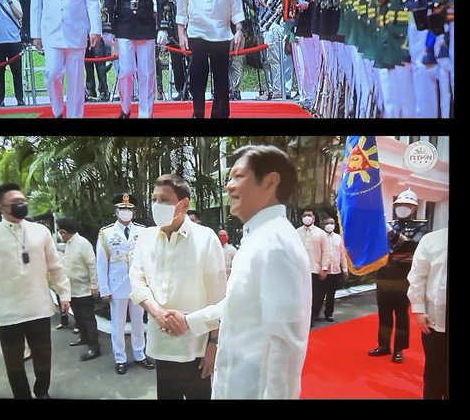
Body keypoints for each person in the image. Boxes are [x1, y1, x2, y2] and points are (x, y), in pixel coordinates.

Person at [164, 145, 312, 399]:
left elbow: (286, 346)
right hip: (235, 382)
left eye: (238, 177)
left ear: (270, 182)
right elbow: (238, 305)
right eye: (229, 178)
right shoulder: (257, 237)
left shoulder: (276, 244)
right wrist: (190, 322)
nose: (228, 186)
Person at [0, 182, 71, 400]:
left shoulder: (40, 232)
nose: (21, 205)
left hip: (38, 308)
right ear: (1, 208)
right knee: (14, 362)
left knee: (43, 356)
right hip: (7, 313)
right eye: (15, 203)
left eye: (23, 201)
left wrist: (64, 293)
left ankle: (42, 390)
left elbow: (55, 266)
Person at [129, 173, 226, 399]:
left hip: (195, 346)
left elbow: (219, 298)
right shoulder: (145, 237)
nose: (157, 205)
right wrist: (157, 312)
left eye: (164, 200)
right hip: (160, 342)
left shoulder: (205, 239)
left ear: (183, 205)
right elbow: (136, 279)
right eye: (154, 199)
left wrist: (213, 343)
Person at [30, 0, 102, 118]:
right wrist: (35, 34)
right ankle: (57, 111)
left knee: (76, 80)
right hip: (51, 33)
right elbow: (35, 6)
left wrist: (95, 30)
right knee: (52, 74)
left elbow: (92, 3)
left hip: (76, 33)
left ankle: (74, 116)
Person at [176, 0, 245, 119]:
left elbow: (235, 2)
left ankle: (220, 115)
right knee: (197, 76)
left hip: (222, 33)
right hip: (197, 32)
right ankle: (197, 112)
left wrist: (238, 29)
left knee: (221, 77)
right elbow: (181, 5)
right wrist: (181, 33)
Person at [369, 188, 429, 363]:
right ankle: (384, 345)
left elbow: (410, 246)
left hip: (403, 278)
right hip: (384, 276)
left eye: (406, 205)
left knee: (401, 314)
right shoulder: (390, 225)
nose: (402, 208)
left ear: (414, 208)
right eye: (399, 205)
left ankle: (399, 349)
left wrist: (391, 234)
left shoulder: (421, 227)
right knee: (384, 313)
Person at [96, 192, 154, 374]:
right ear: (116, 211)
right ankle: (120, 358)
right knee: (118, 324)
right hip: (116, 285)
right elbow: (101, 262)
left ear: (134, 212)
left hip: (138, 285)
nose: (126, 212)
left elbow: (149, 260)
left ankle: (140, 355)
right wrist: (104, 288)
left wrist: (150, 284)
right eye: (122, 209)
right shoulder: (106, 233)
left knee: (138, 322)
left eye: (129, 209)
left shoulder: (143, 231)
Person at [407, 227, 448, 399]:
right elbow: (418, 276)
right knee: (434, 373)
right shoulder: (432, 239)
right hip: (436, 320)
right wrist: (418, 307)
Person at [56, 218, 101, 362]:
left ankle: (94, 346)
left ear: (64, 232)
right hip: (72, 289)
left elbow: (92, 266)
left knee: (88, 318)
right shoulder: (69, 244)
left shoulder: (82, 243)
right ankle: (84, 337)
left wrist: (94, 285)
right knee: (78, 316)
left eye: (59, 231)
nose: (59, 234)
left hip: (84, 289)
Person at [296, 207, 329, 324]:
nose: (307, 218)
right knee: (301, 296)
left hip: (315, 269)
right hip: (300, 270)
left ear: (314, 218)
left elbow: (326, 251)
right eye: (305, 216)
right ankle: (302, 319)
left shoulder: (321, 233)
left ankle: (311, 318)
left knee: (314, 296)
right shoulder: (296, 232)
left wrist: (324, 268)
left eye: (309, 215)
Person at [315, 216, 348, 321]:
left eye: (332, 223)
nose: (330, 225)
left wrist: (345, 268)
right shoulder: (319, 237)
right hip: (322, 271)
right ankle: (315, 314)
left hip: (335, 271)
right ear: (323, 225)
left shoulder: (338, 238)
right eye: (327, 223)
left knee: (331, 294)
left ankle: (328, 314)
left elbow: (342, 254)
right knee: (319, 294)